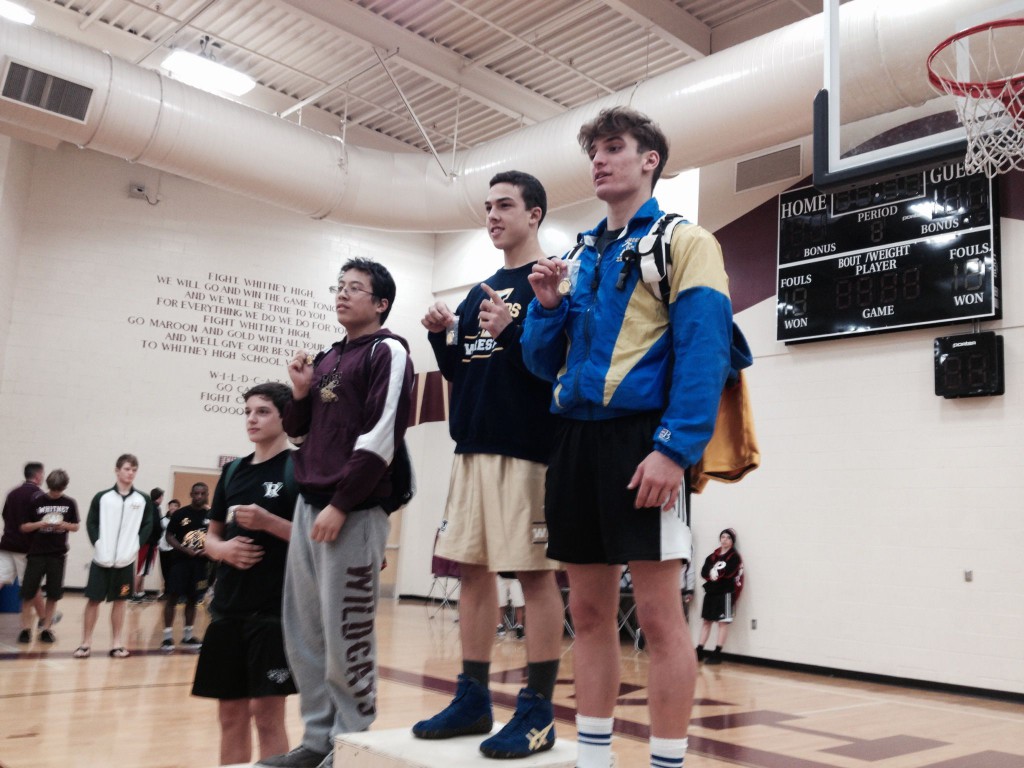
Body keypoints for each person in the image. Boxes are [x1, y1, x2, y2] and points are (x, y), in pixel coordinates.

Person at [521, 106, 742, 768]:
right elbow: (540, 363)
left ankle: (667, 761)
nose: (599, 160)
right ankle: (594, 759)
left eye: (613, 148)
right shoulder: (577, 256)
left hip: (644, 441)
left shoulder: (687, 242)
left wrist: (675, 449)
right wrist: (548, 307)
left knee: (657, 617)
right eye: (593, 150)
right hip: (574, 443)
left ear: (650, 160)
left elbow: (708, 353)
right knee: (586, 614)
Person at [412, 170, 564, 760]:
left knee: (533, 575)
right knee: (471, 571)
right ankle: (473, 698)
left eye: (506, 205)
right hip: (469, 451)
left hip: (527, 453)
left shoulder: (554, 283)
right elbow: (466, 374)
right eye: (488, 206)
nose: (493, 215)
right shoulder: (478, 292)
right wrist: (442, 340)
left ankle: (538, 712)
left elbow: (559, 368)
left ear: (536, 215)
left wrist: (519, 325)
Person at [260, 257, 414, 768]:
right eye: (340, 287)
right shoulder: (327, 358)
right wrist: (301, 391)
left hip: (351, 510)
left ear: (381, 303)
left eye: (355, 288)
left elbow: (381, 437)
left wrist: (342, 504)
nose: (343, 295)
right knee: (304, 630)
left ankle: (351, 743)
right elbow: (301, 435)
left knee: (347, 630)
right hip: (310, 506)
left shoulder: (388, 352)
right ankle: (316, 741)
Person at [192, 382, 299, 765]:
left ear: (285, 417)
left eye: (263, 411)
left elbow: (316, 540)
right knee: (230, 715)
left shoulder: (297, 469)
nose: (252, 419)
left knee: (267, 715)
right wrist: (222, 550)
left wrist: (270, 522)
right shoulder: (234, 470)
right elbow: (211, 536)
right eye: (248, 412)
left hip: (272, 614)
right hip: (227, 610)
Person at [75, 454, 155, 659]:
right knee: (93, 600)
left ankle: (117, 643)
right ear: (117, 470)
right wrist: (98, 544)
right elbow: (91, 522)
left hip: (126, 561)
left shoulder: (142, 499)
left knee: (120, 602)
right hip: (101, 559)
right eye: (127, 469)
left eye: (134, 469)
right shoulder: (102, 497)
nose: (130, 473)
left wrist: (135, 545)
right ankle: (85, 643)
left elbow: (148, 524)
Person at [18, 469, 79, 643]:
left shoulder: (69, 503)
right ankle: (25, 629)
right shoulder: (36, 501)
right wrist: (40, 523)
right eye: (53, 490)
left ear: (64, 487)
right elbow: (24, 527)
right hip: (37, 553)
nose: (55, 494)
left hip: (57, 554)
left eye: (58, 490)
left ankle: (46, 628)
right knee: (28, 593)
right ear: (48, 486)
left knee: (53, 594)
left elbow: (75, 526)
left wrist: (64, 525)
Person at [162, 482, 211, 651]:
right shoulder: (180, 514)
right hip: (180, 563)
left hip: (200, 565)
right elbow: (169, 536)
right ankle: (167, 637)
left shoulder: (211, 515)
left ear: (207, 495)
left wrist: (209, 550)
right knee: (173, 598)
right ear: (191, 494)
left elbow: (218, 536)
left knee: (193, 598)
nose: (199, 496)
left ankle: (188, 636)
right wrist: (184, 549)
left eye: (202, 493)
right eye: (196, 493)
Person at [2, 462, 47, 635]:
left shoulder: (12, 493)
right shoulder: (39, 496)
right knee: (32, 583)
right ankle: (44, 618)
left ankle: (43, 617)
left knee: (1, 578)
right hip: (25, 547)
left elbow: (5, 515)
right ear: (38, 476)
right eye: (42, 475)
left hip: (6, 543)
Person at [696, 528, 743, 665]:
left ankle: (717, 653)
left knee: (722, 623)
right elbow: (704, 571)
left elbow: (730, 572)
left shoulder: (734, 557)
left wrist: (717, 574)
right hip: (711, 592)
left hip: (725, 593)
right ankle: (699, 650)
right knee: (706, 621)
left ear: (732, 541)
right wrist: (711, 574)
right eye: (723, 537)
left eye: (728, 537)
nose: (724, 540)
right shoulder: (712, 557)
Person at [132, 487, 164, 601]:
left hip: (149, 542)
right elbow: (155, 525)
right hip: (148, 542)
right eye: (162, 497)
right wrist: (160, 531)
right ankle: (135, 593)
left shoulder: (151, 507)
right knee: (141, 569)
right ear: (159, 497)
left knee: (144, 569)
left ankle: (140, 592)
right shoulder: (153, 508)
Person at [157, 498, 180, 598]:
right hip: (163, 548)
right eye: (171, 506)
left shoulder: (180, 520)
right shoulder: (162, 520)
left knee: (174, 571)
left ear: (178, 508)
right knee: (164, 570)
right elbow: (158, 532)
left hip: (174, 549)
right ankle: (166, 591)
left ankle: (173, 592)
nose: (173, 508)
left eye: (175, 506)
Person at [496, 574, 525, 639]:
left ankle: (519, 627)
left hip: (516, 576)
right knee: (500, 602)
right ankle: (500, 626)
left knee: (519, 602)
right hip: (500, 574)